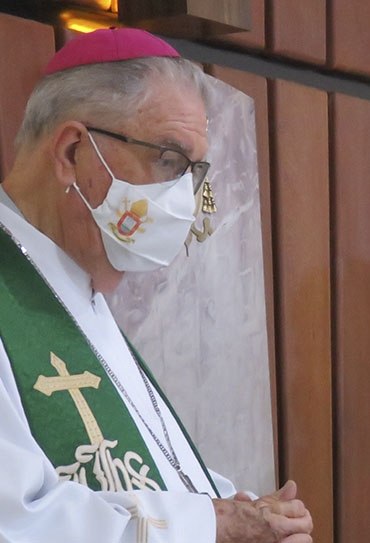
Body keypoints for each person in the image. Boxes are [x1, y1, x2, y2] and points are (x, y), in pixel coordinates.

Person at [0, 28, 313, 542]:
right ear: (73, 151)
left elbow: (147, 474)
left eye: (194, 173)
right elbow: (16, 522)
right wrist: (213, 527)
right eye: (168, 160)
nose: (185, 203)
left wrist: (248, 514)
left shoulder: (82, 296)